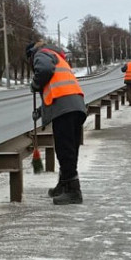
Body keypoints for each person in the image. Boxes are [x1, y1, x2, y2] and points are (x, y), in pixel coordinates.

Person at [27, 40, 87, 205]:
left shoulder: (41, 54)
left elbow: (45, 70)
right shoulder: (57, 56)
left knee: (65, 150)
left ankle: (74, 192)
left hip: (65, 109)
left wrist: (35, 84)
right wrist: (41, 111)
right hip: (76, 106)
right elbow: (57, 88)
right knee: (69, 149)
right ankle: (64, 185)